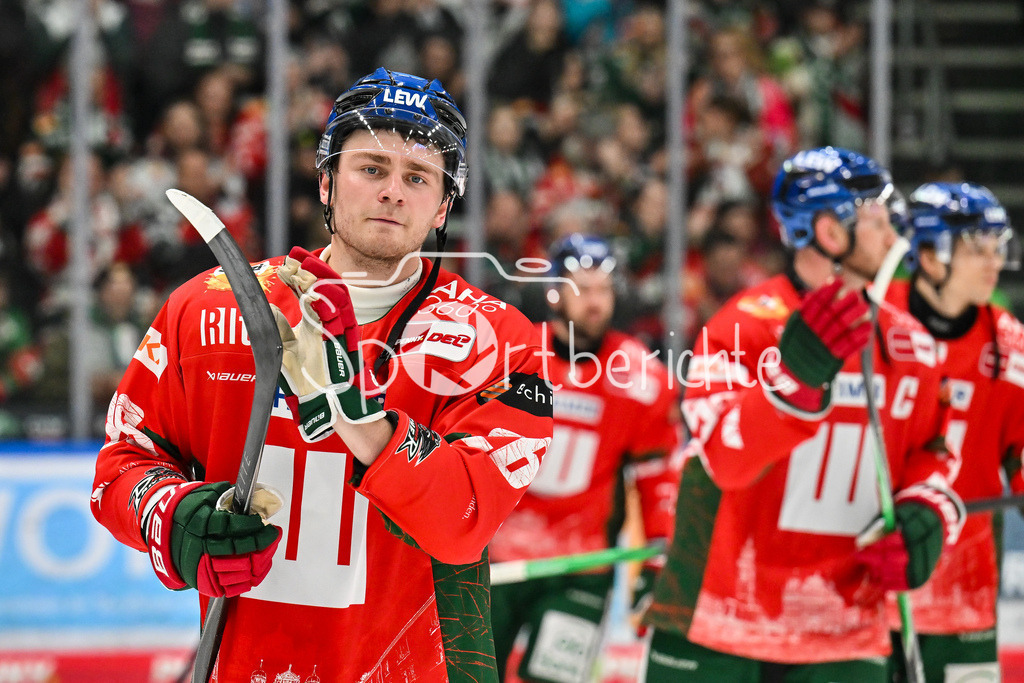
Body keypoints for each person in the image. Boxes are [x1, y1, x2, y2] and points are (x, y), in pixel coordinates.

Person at [91, 68, 553, 682]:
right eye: (371, 168)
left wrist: (357, 413)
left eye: (418, 177)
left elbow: (465, 520)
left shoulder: (500, 341)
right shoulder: (208, 308)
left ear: (444, 205)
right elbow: (122, 464)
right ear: (326, 181)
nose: (393, 191)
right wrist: (174, 518)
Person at [641, 147, 966, 682]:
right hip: (720, 617)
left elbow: (933, 455)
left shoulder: (913, 345)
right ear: (829, 231)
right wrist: (793, 379)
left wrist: (927, 515)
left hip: (845, 626)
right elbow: (725, 458)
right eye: (879, 223)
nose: (894, 240)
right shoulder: (739, 326)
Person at [488, 234, 682, 682]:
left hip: (582, 567)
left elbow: (659, 479)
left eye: (603, 290)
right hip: (495, 555)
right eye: (582, 288)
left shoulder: (642, 378)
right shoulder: (510, 352)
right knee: (469, 675)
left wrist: (655, 567)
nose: (595, 302)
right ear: (555, 291)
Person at [887, 181, 1024, 682]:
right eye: (974, 250)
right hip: (866, 586)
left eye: (996, 248)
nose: (992, 262)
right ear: (928, 256)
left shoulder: (1009, 347)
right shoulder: (875, 322)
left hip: (964, 594)